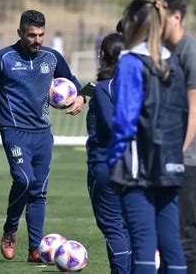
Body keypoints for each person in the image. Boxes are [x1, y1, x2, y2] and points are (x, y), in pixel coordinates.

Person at [0, 10, 84, 263]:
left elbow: (74, 84)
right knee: (24, 180)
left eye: (41, 35)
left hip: (43, 133)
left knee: (39, 191)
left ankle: (36, 249)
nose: (37, 40)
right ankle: (10, 229)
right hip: (14, 131)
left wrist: (80, 97)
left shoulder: (52, 58)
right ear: (20, 33)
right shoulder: (3, 59)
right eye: (32, 35)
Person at [107, 0, 188, 273]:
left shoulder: (130, 61)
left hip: (136, 165)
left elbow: (125, 119)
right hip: (172, 159)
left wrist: (114, 160)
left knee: (142, 243)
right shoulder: (173, 61)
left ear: (133, 24)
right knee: (171, 244)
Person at [155, 0, 196, 274]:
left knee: (184, 236)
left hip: (189, 161)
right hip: (170, 158)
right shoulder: (167, 53)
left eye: (159, 15)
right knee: (165, 236)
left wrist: (175, 155)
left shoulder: (193, 53)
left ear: (176, 16)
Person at [86, 33, 130, 273]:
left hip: (105, 162)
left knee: (113, 227)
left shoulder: (104, 89)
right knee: (126, 226)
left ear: (102, 55)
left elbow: (112, 125)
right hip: (134, 164)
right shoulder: (138, 85)